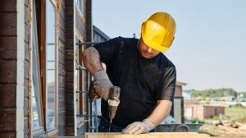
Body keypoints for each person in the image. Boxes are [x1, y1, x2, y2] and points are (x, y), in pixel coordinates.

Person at [82, 11, 177, 134]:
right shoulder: (121, 46)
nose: (149, 50)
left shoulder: (167, 69)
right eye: (147, 43)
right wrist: (101, 77)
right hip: (109, 126)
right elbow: (89, 52)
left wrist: (147, 124)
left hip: (142, 131)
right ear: (142, 31)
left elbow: (165, 105)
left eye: (155, 47)